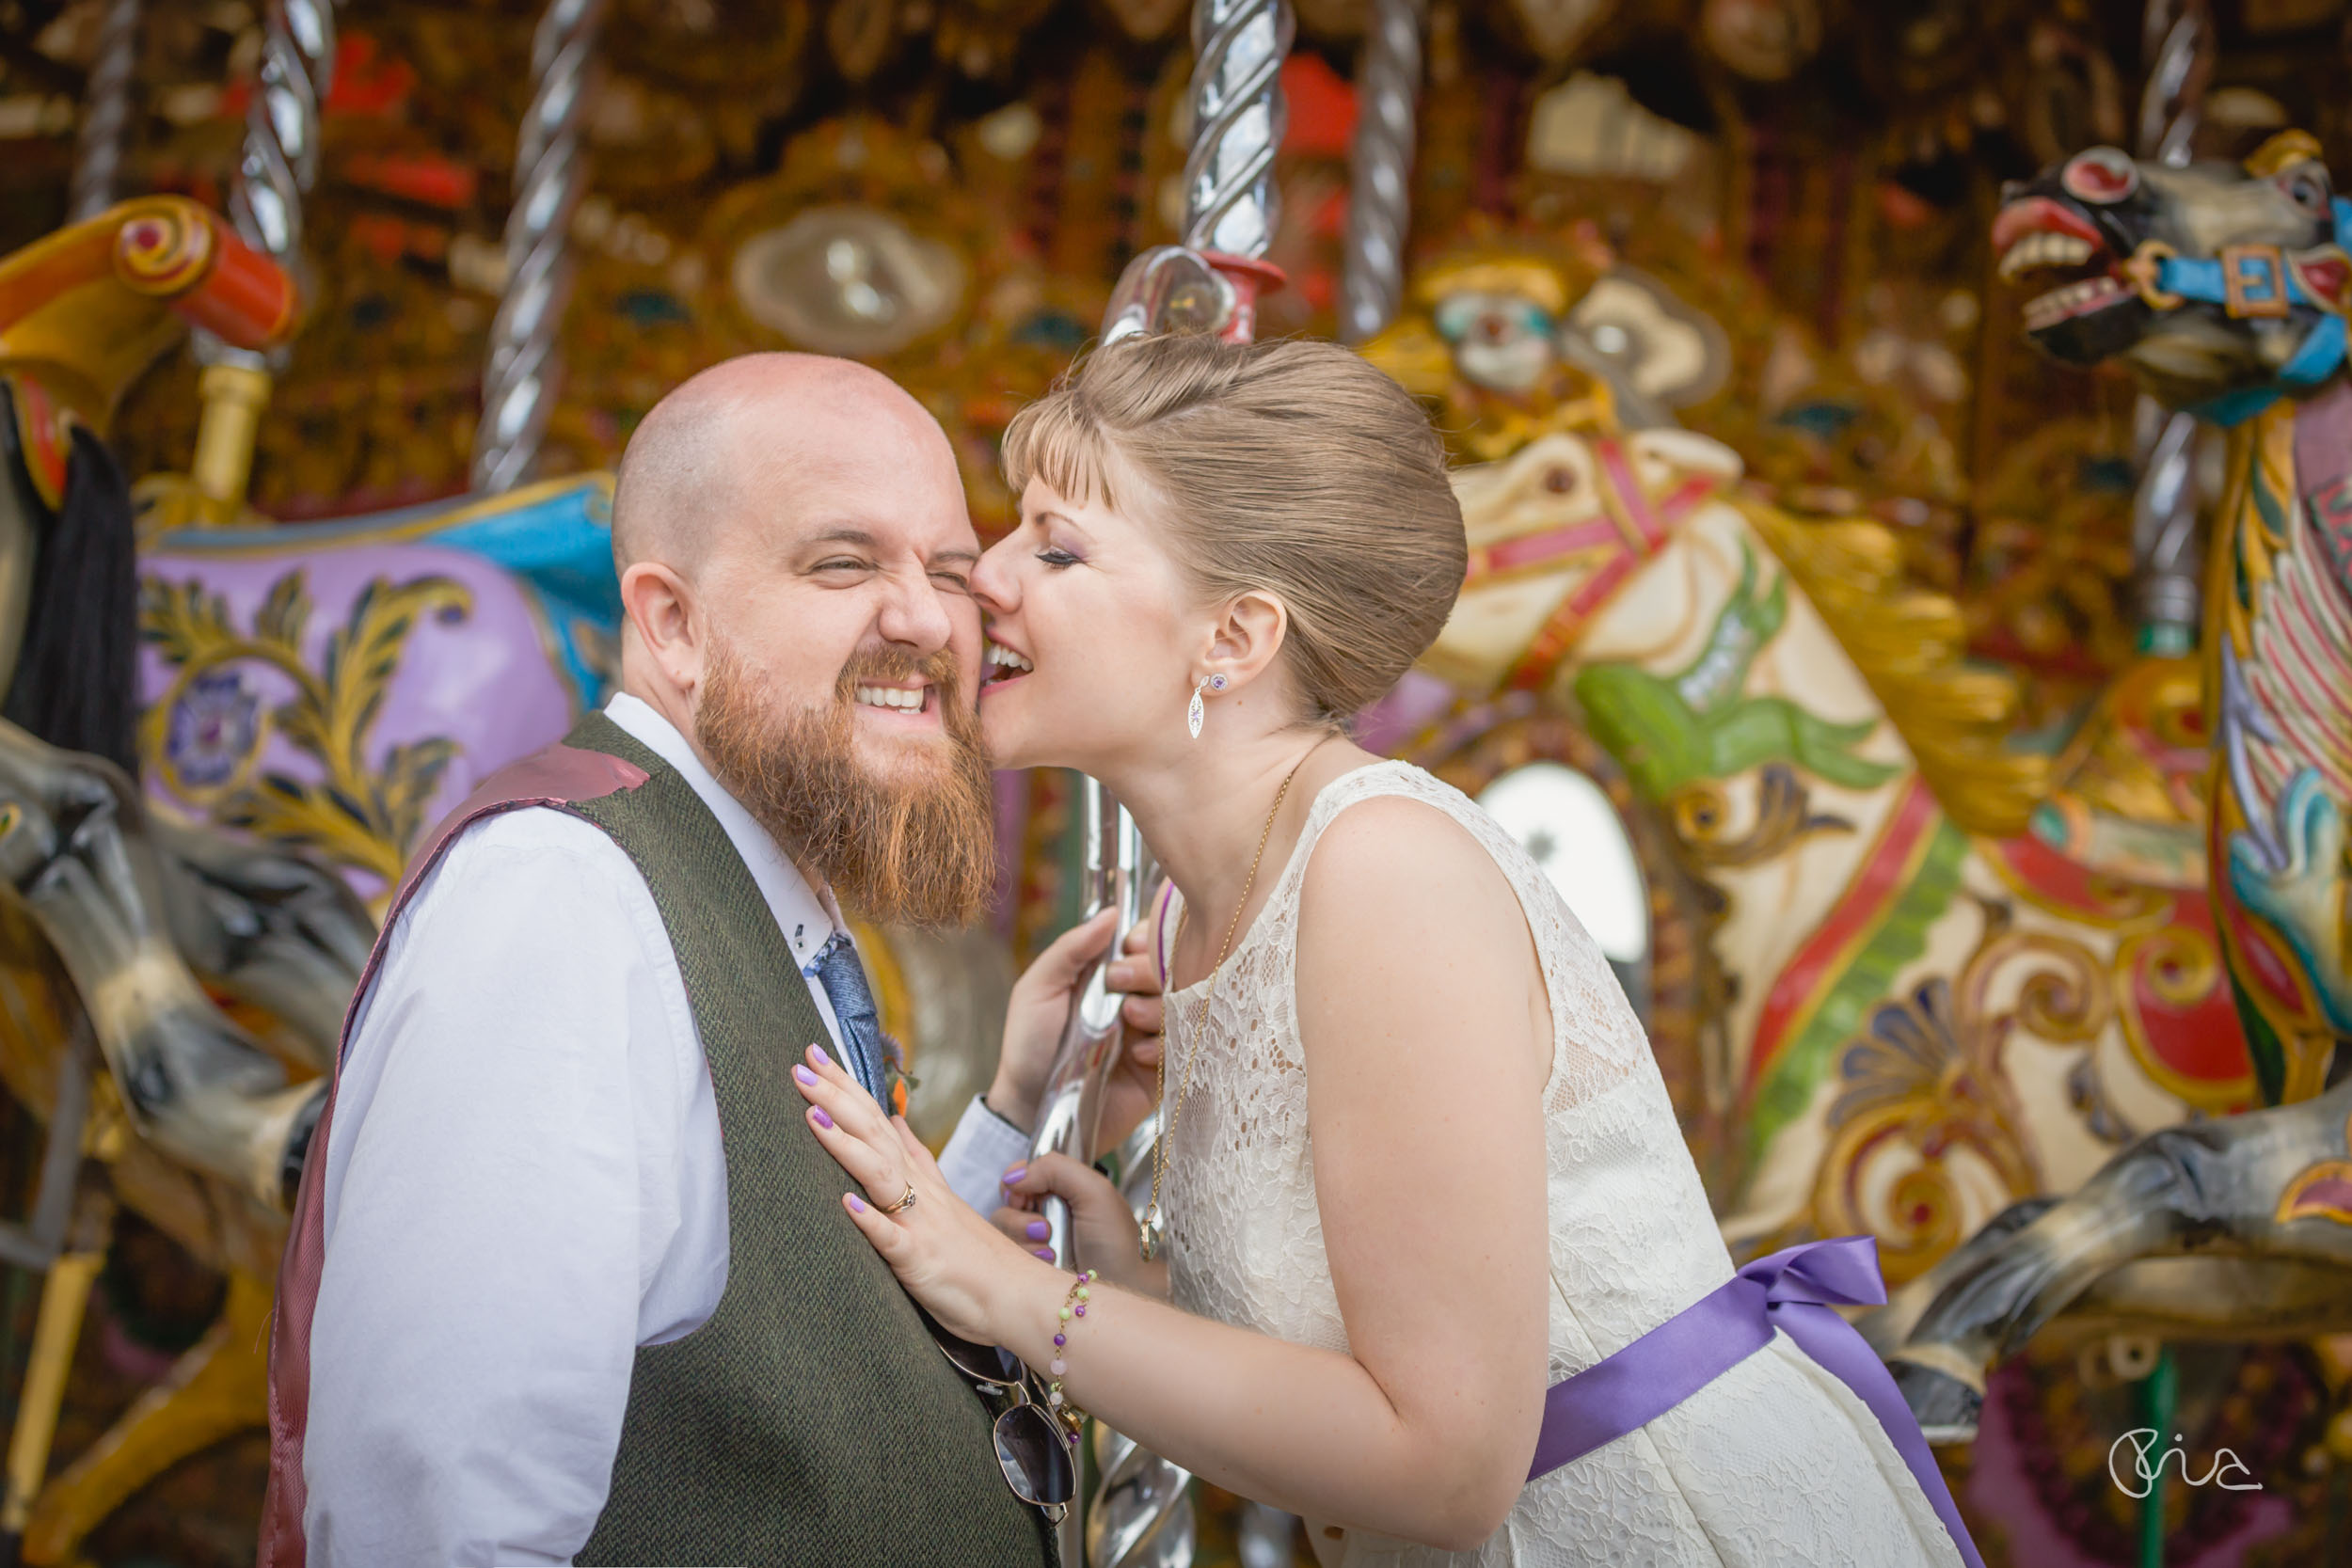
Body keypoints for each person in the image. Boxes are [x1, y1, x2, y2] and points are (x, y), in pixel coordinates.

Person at [791, 333, 1981, 1567]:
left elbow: (1447, 1464)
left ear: (1236, 638)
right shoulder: (1192, 916)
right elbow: (1351, 1378)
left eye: (1056, 547)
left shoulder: (1381, 868)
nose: (983, 577)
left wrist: (1011, 1289)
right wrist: (1135, 1294)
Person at [258, 352, 1124, 1567]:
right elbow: (439, 1506)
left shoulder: (756, 884)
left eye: (944, 568)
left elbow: (801, 1304)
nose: (930, 620)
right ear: (673, 623)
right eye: (843, 562)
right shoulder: (563, 901)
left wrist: (1017, 1101)